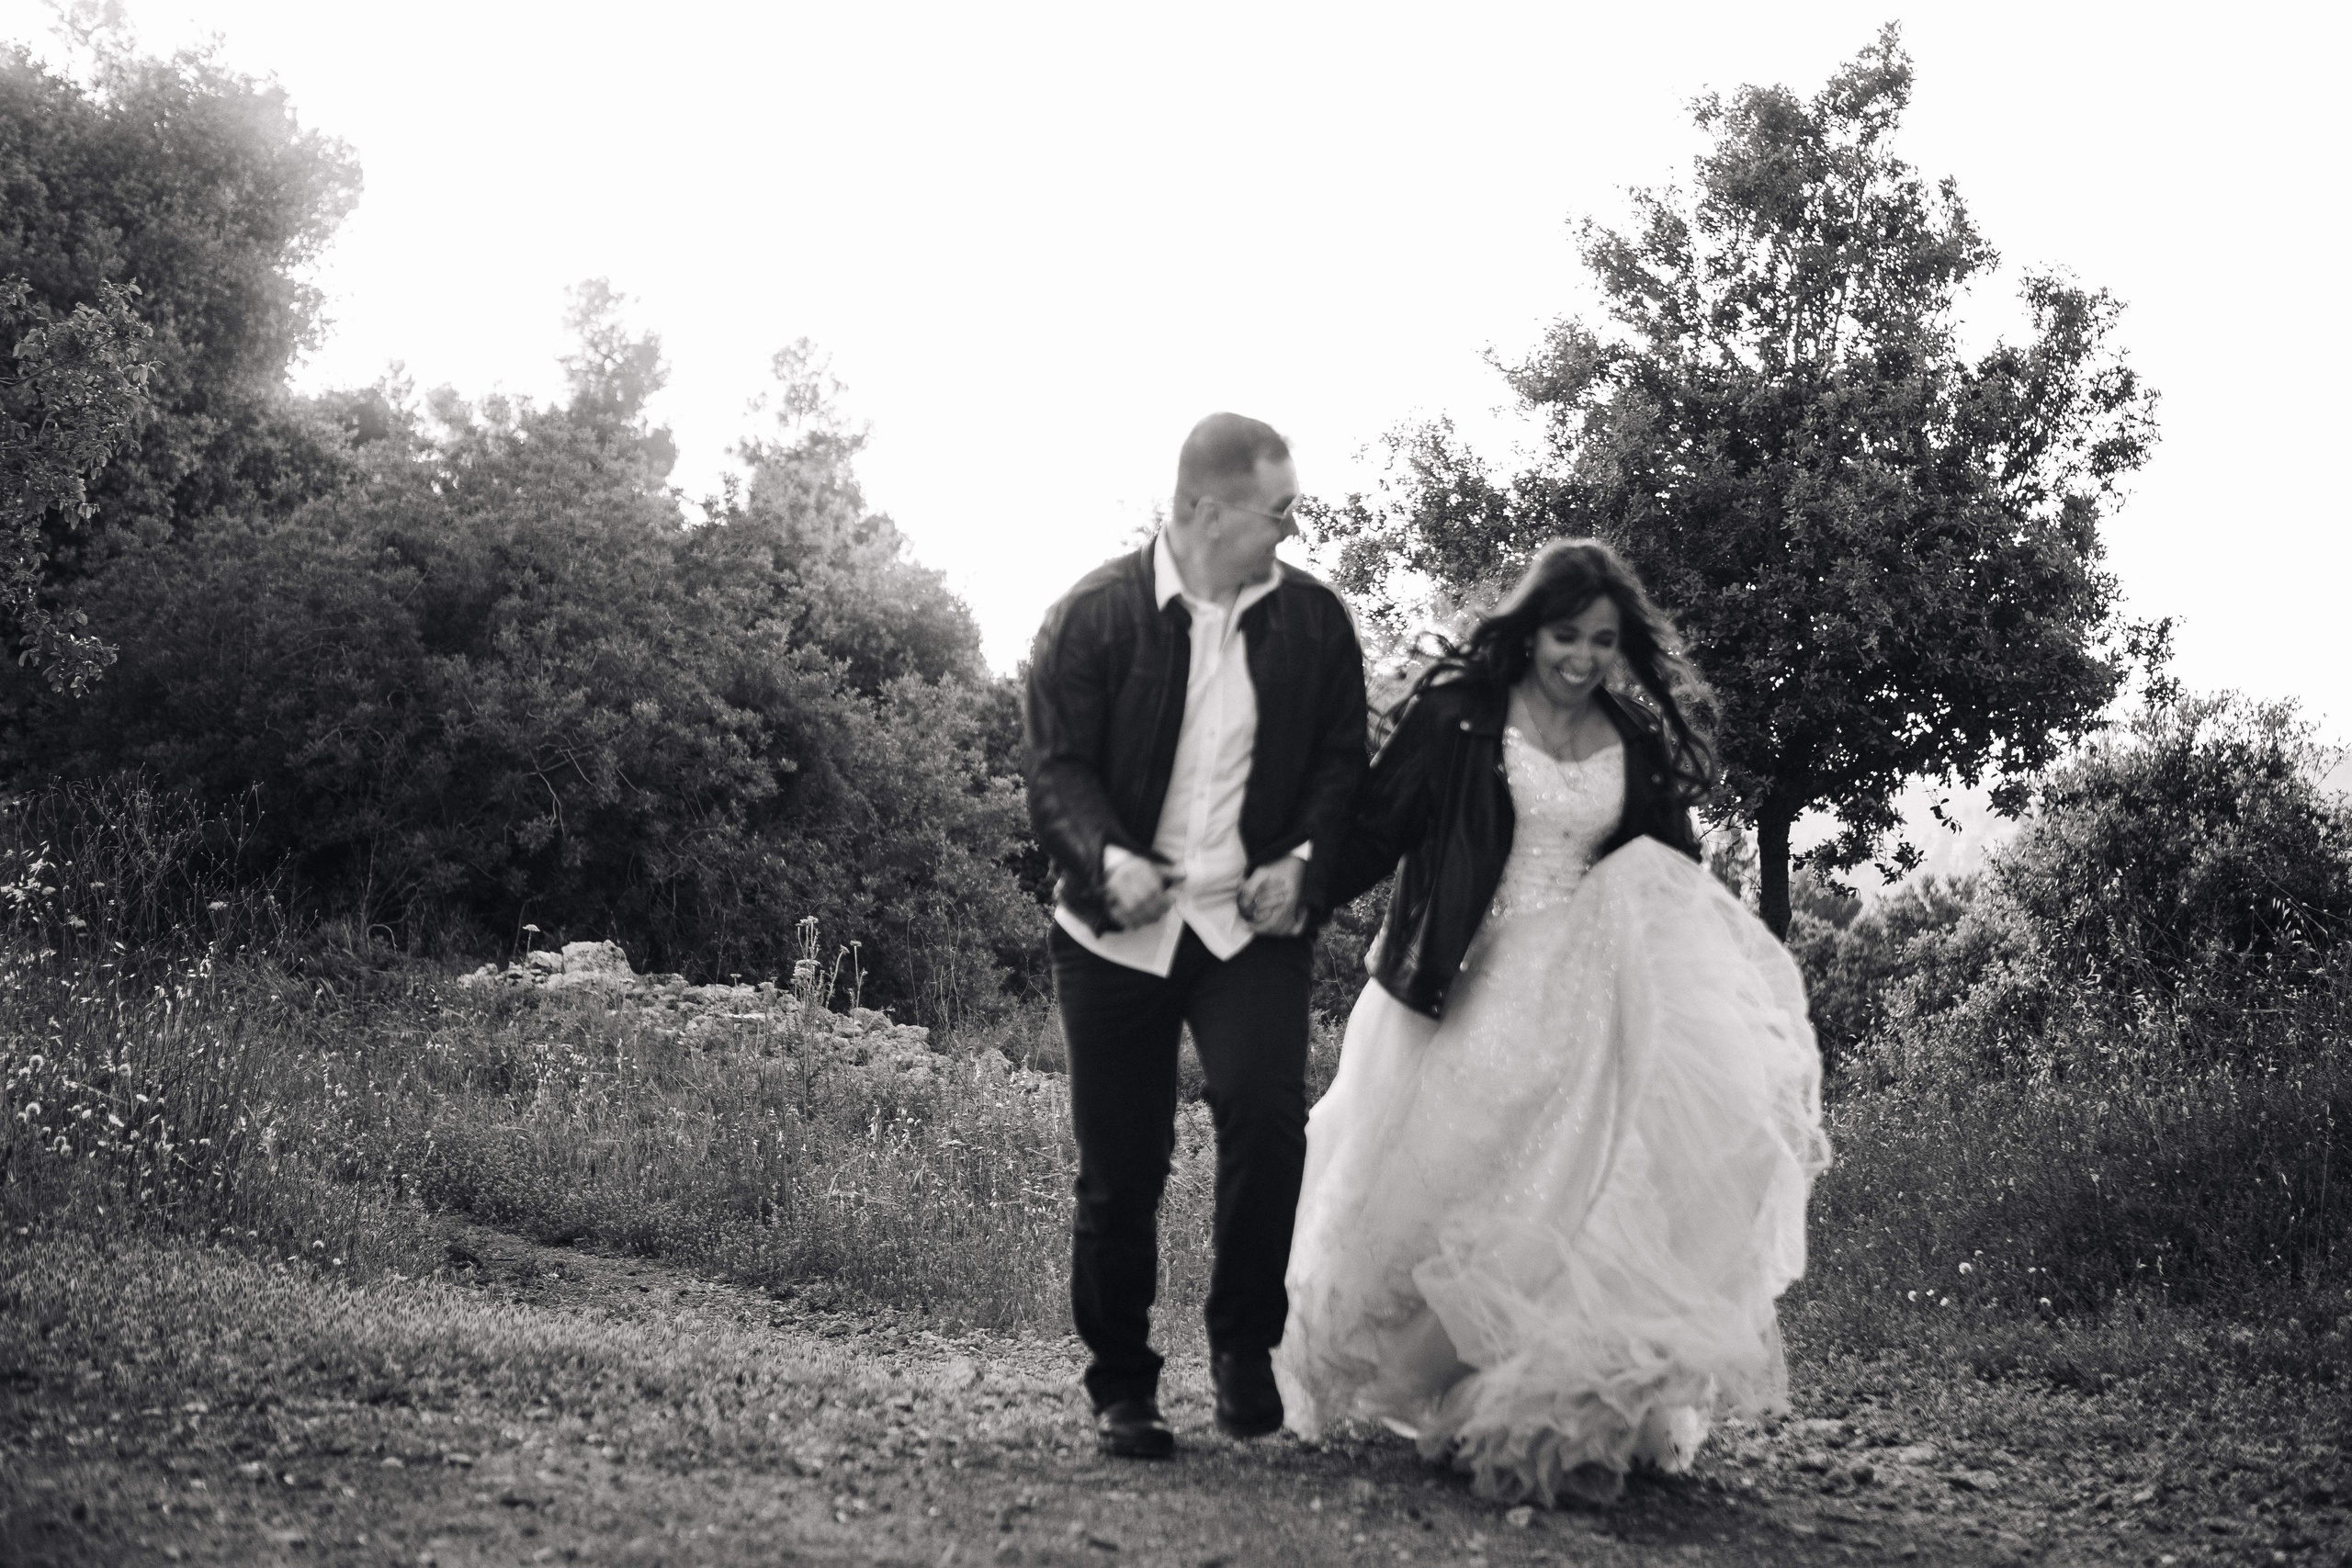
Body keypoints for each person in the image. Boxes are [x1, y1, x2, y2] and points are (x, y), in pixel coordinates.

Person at [1273, 538, 1830, 1506]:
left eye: (1602, 640)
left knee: (1569, 1196)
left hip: (1587, 994)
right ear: (1530, 631)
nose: (1581, 656)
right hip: (1467, 980)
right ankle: (1424, 1373)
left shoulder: (1632, 739)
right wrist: (1299, 892)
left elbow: (1670, 873)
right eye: (1565, 635)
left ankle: (1526, 1386)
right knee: (1445, 1181)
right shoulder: (1458, 720)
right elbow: (1376, 829)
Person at [1023, 413, 1367, 1458]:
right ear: (1210, 511)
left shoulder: (1314, 622)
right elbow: (1055, 770)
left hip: (1245, 924)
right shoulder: (1093, 615)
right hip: (1114, 928)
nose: (1292, 531)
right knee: (1122, 1164)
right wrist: (1105, 859)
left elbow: (1341, 764)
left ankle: (1241, 1348)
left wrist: (1303, 863)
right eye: (1280, 512)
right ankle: (1122, 1384)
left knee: (1268, 1121)